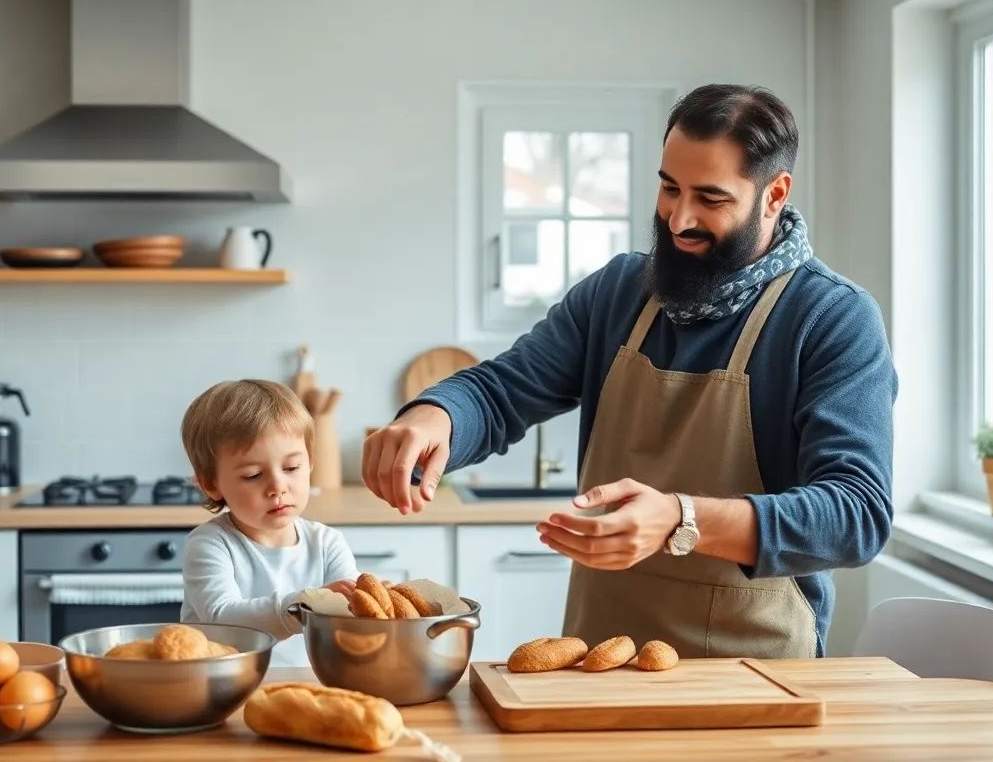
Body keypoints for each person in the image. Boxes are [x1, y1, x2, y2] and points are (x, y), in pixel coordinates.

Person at [362, 84, 897, 658]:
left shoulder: (831, 317)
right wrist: (434, 416)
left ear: (774, 195)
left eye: (710, 198)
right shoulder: (620, 292)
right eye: (669, 188)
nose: (679, 219)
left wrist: (681, 518)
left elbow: (856, 513)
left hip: (755, 669)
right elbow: (501, 392)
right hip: (601, 658)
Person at [179, 379, 357, 666]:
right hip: (223, 689)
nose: (278, 486)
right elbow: (224, 620)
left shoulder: (327, 543)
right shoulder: (210, 544)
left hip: (311, 686)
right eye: (252, 475)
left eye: (291, 467)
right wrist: (302, 606)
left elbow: (349, 615)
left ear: (310, 461)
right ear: (211, 484)